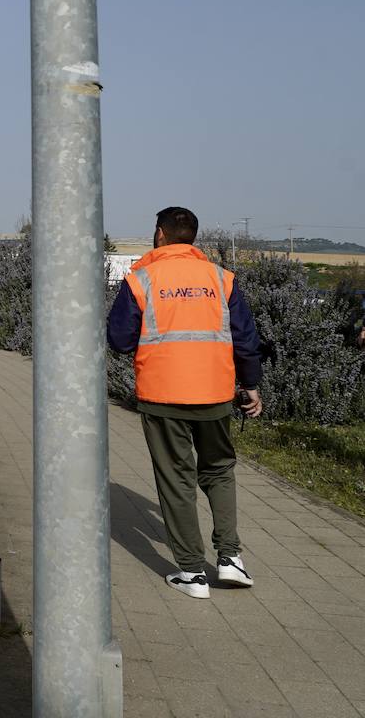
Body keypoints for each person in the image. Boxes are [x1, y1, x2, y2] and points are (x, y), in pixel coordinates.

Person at [107, 206, 263, 600]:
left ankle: (192, 573)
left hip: (163, 396)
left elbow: (120, 340)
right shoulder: (220, 278)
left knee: (177, 480)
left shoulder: (141, 278)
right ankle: (230, 559)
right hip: (214, 393)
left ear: (159, 234)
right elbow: (245, 338)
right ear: (192, 237)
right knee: (220, 471)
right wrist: (252, 385)